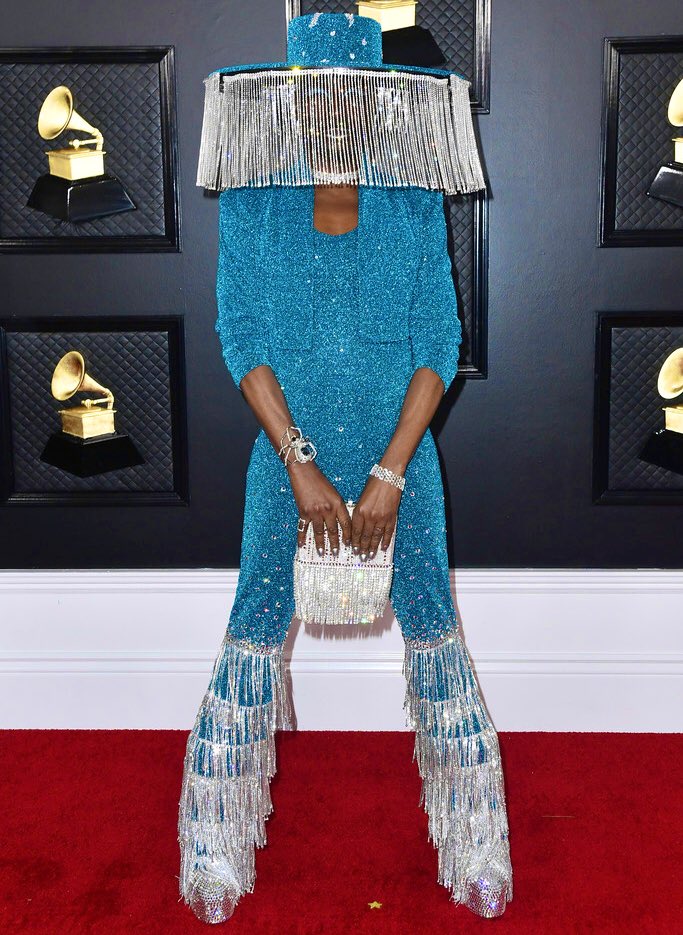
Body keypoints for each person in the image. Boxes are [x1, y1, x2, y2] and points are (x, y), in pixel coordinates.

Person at [178, 13, 512, 924]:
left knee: (434, 628)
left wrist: (391, 472)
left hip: (400, 459)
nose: (333, 112)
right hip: (288, 462)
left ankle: (474, 840)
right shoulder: (253, 200)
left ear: (374, 102)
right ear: (293, 100)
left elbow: (437, 341)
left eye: (349, 96)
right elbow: (241, 336)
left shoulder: (411, 198)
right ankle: (214, 843)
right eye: (316, 95)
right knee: (253, 626)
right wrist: (300, 462)